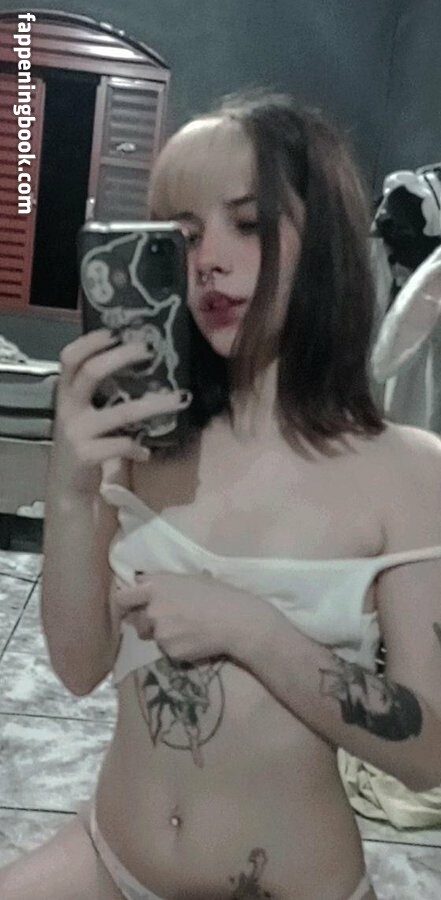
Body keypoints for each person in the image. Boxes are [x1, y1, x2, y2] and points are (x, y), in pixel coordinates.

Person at [1, 90, 441, 900]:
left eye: (247, 222)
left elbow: (427, 753)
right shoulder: (147, 437)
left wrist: (249, 628)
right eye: (181, 234)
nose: (206, 257)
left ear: (325, 243)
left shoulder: (408, 472)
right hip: (109, 856)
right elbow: (79, 666)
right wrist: (68, 492)